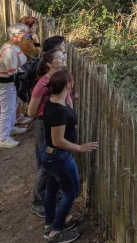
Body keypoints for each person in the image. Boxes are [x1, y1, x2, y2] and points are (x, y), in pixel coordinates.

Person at [41, 69, 97, 243]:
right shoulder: (58, 112)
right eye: (71, 81)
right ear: (68, 85)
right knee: (71, 191)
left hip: (50, 156)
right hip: (60, 157)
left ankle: (50, 223)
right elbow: (58, 140)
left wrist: (70, 100)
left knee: (51, 189)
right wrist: (80, 147)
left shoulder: (53, 103)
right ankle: (55, 232)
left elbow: (68, 113)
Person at [28, 48, 71, 218]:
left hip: (58, 125)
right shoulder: (42, 84)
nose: (63, 58)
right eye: (59, 57)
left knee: (57, 161)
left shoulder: (61, 79)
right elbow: (31, 111)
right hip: (45, 126)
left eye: (63, 56)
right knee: (47, 164)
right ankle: (37, 202)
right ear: (49, 63)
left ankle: (55, 194)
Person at [0, 23, 30, 148]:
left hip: (11, 83)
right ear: (15, 35)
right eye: (23, 33)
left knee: (12, 106)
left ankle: (10, 129)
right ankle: (3, 139)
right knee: (7, 110)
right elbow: (12, 72)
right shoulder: (9, 51)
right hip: (5, 84)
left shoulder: (16, 46)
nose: (26, 35)